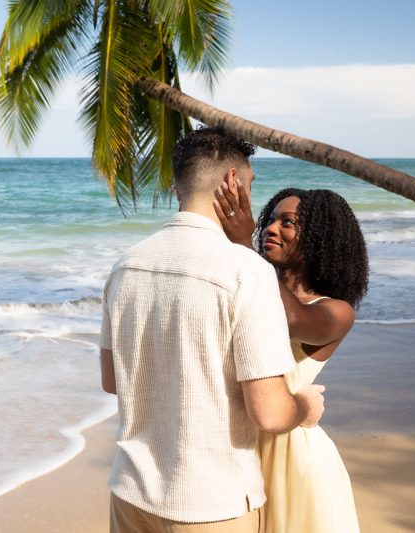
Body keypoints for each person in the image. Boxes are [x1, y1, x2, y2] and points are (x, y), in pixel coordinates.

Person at [99, 127, 327, 533]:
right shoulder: (246, 271)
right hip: (210, 503)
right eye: (250, 185)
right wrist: (304, 407)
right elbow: (270, 412)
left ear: (179, 186)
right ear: (232, 182)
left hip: (131, 492)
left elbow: (113, 380)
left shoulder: (126, 265)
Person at [214, 184, 369, 533]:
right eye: (270, 219)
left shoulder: (335, 311)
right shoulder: (252, 290)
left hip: (291, 455)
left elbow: (290, 318)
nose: (270, 228)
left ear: (319, 238)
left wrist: (244, 246)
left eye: (287, 222)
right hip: (238, 444)